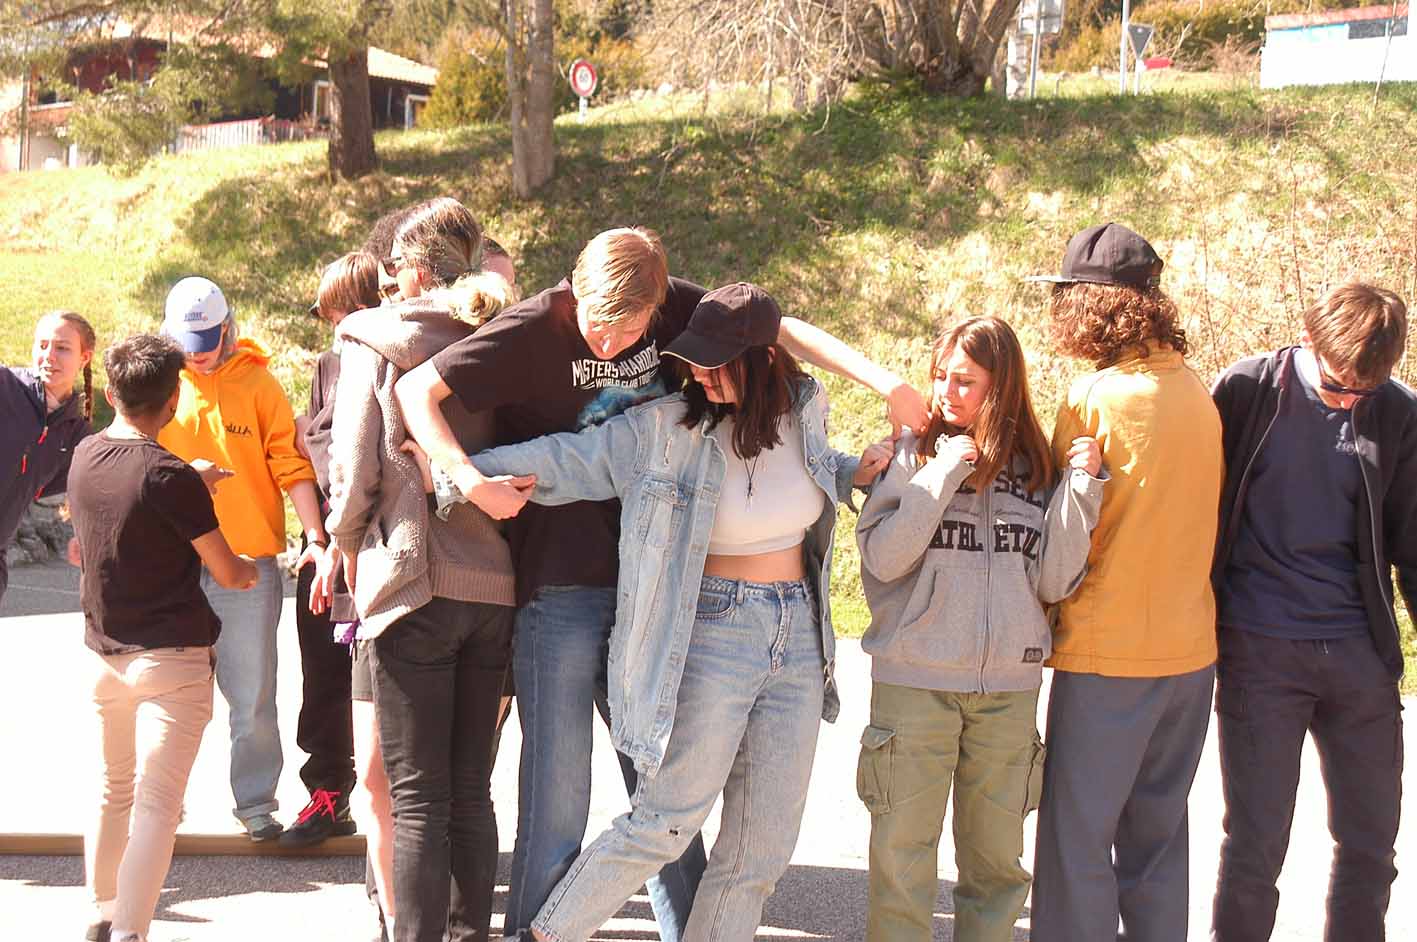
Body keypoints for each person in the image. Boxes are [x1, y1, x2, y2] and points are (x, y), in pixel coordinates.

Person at [395, 227, 927, 942]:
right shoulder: (602, 379)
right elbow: (547, 449)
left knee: (710, 824)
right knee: (600, 810)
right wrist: (458, 475)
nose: (613, 347)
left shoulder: (769, 383)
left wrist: (876, 417)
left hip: (712, 608)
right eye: (598, 327)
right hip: (588, 590)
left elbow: (782, 337)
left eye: (631, 332)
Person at [854, 316, 1105, 942]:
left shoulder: (1038, 467)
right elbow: (884, 558)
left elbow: (1053, 582)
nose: (946, 392)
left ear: (1003, 384)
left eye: (965, 381)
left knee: (997, 869)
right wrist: (940, 474)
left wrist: (1080, 489)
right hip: (915, 686)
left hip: (1007, 695)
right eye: (940, 376)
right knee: (901, 862)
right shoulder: (911, 454)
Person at [326, 196, 518, 942]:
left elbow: (353, 464)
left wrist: (345, 542)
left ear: (410, 269)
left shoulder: (374, 336)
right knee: (471, 791)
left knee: (416, 800)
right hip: (494, 581)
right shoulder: (500, 331)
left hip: (413, 578)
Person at [1025, 222, 1224, 942]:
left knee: (1076, 844)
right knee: (1158, 841)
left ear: (1088, 305)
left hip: (1107, 655)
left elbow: (1055, 523)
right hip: (1190, 653)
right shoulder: (1199, 393)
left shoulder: (1096, 398)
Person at [1209, 282, 1412, 941]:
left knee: (1371, 847)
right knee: (1255, 846)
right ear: (1307, 340)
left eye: (1364, 391)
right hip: (1258, 650)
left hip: (1359, 660)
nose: (1349, 400)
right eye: (1336, 385)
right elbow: (1195, 511)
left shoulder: (1397, 412)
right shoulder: (1246, 391)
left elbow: (1413, 543)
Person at [68, 333, 258, 942]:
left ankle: (102, 913)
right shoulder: (170, 476)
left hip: (104, 658)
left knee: (114, 789)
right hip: (171, 663)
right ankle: (130, 932)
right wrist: (252, 569)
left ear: (111, 392)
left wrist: (189, 482)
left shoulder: (86, 455)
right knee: (157, 805)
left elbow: (131, 495)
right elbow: (228, 571)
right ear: (174, 398)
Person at [157, 275, 331, 842]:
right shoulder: (160, 383)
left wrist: (314, 536)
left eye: (208, 341)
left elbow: (291, 465)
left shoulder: (258, 383)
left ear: (227, 328)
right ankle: (161, 805)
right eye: (188, 343)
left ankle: (255, 803)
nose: (199, 353)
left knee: (252, 692)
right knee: (169, 693)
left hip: (247, 564)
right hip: (172, 563)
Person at [279, 251, 383, 849]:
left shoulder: (397, 358)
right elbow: (318, 447)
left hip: (379, 540)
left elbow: (356, 450)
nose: (335, 326)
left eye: (343, 312)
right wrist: (318, 541)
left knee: (382, 680)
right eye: (329, 316)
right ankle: (326, 792)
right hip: (323, 544)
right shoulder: (328, 365)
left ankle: (395, 809)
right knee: (322, 674)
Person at [1, 310, 95, 605]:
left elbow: (81, 492)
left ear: (84, 357)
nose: (49, 356)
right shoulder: (4, 386)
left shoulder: (78, 435)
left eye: (62, 348)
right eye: (42, 346)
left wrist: (83, 535)